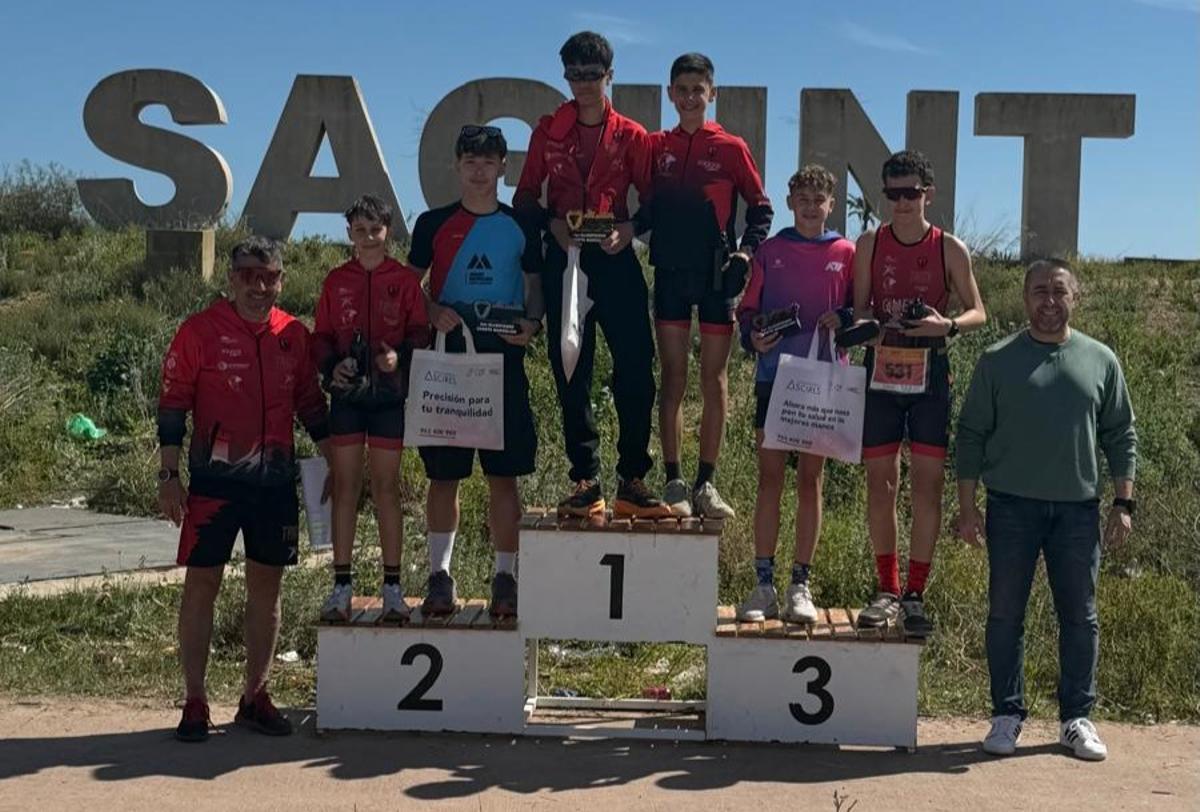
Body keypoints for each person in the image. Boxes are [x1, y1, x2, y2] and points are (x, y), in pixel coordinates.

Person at [956, 259, 1136, 761]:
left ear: (1074, 298)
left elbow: (1121, 434)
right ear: (1024, 297)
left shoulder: (1101, 360)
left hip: (1078, 511)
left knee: (1080, 616)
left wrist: (1123, 502)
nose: (1049, 301)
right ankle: (1006, 716)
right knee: (1005, 615)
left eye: (1059, 291)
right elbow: (970, 435)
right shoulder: (997, 360)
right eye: (1039, 291)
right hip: (1011, 507)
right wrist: (967, 509)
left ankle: (1076, 718)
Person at [158, 236, 332, 742]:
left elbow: (309, 403)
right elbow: (172, 404)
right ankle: (195, 700)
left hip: (273, 485)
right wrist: (169, 477)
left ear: (281, 280)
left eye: (269, 276)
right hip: (213, 485)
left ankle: (255, 695)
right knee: (201, 587)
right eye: (248, 276)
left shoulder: (293, 335)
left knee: (267, 591)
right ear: (231, 280)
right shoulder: (200, 331)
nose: (259, 286)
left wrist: (337, 462)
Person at [513, 30, 670, 520]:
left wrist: (629, 229)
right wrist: (552, 225)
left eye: (592, 76)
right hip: (566, 261)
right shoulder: (547, 131)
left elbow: (654, 203)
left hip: (614, 258)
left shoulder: (633, 135)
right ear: (565, 76)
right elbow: (523, 200)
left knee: (637, 367)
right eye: (574, 75)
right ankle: (585, 478)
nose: (583, 85)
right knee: (571, 369)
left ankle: (633, 478)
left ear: (610, 76)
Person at [407, 125, 545, 618]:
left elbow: (535, 285)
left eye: (489, 162)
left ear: (503, 166)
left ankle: (505, 576)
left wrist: (531, 323)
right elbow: (409, 287)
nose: (480, 170)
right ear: (456, 166)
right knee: (444, 476)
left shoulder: (521, 225)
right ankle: (439, 576)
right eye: (470, 162)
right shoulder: (432, 223)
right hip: (448, 360)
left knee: (503, 477)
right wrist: (430, 310)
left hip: (502, 358)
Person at [851, 149, 987, 637]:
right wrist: (868, 325)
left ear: (928, 194)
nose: (903, 203)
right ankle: (886, 589)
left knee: (927, 485)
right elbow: (860, 307)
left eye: (911, 193)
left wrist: (944, 324)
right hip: (881, 370)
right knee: (881, 483)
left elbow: (978, 312)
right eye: (894, 194)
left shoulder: (950, 248)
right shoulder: (869, 243)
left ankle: (915, 593)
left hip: (931, 373)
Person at [633, 52, 774, 518]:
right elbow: (648, 210)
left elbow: (761, 210)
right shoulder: (657, 146)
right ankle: (673, 480)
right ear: (670, 94)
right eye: (683, 89)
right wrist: (623, 230)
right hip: (671, 273)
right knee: (672, 378)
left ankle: (706, 485)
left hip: (718, 278)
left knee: (714, 381)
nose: (691, 97)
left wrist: (746, 254)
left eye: (699, 89)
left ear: (711, 94)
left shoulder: (731, 147)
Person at [734, 165, 855, 622]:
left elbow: (858, 311)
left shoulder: (846, 251)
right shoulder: (771, 250)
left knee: (811, 481)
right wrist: (753, 337)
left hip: (824, 380)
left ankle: (799, 586)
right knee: (771, 480)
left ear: (831, 204)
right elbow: (747, 312)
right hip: (775, 378)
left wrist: (842, 320)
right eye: (801, 198)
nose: (809, 206)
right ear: (790, 203)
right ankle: (763, 584)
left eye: (818, 199)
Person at [313, 195, 430, 623]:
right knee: (346, 488)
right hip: (346, 398)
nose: (367, 238)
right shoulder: (335, 280)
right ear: (349, 234)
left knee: (386, 489)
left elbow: (421, 332)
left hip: (387, 400)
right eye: (359, 230)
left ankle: (393, 589)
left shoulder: (402, 279)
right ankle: (341, 588)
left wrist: (399, 356)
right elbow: (321, 336)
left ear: (388, 231)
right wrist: (332, 364)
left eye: (375, 230)